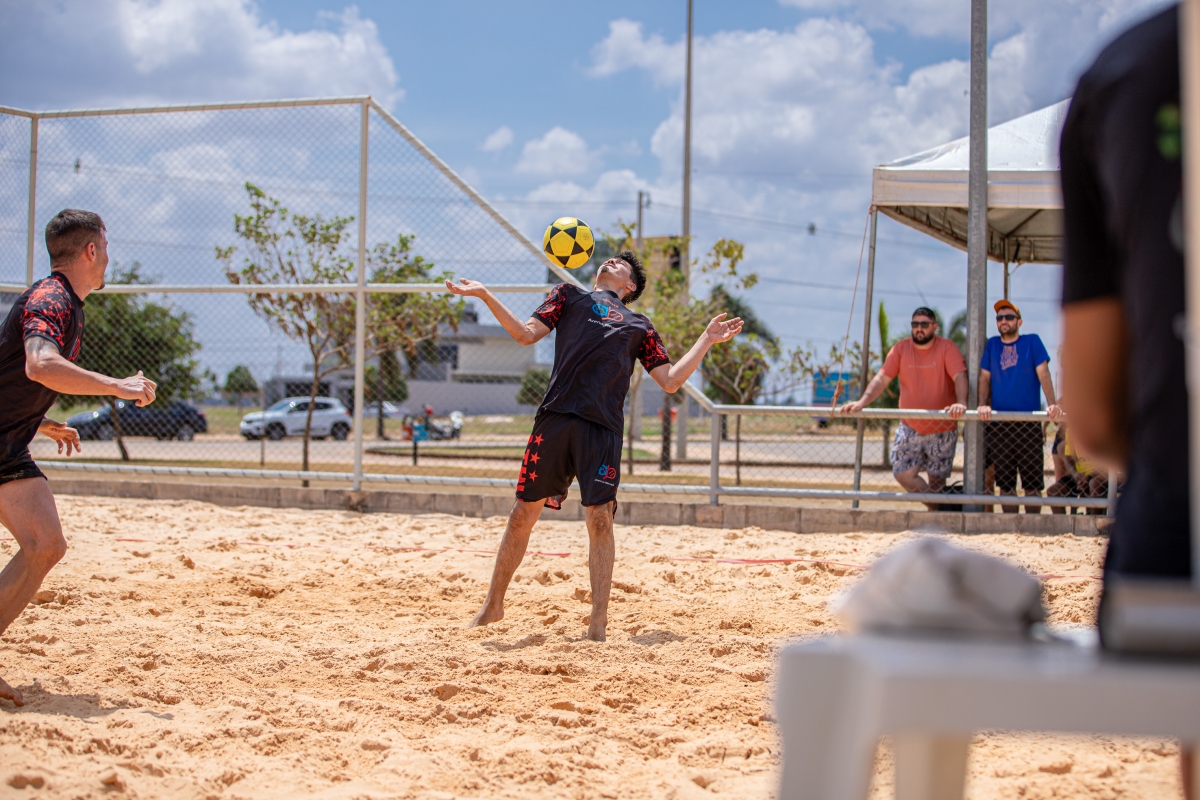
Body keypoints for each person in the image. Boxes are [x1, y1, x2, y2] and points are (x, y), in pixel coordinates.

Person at [445, 254, 742, 641]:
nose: (612, 260)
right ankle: (492, 605)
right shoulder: (568, 295)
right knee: (521, 514)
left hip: (602, 429)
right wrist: (486, 295)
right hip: (555, 419)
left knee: (600, 519)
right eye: (611, 258)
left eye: (621, 263)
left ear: (629, 286)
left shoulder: (640, 325)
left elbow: (669, 381)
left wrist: (706, 339)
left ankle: (597, 623)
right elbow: (525, 335)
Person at [0, 210, 157, 706]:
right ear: (91, 250)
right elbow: (39, 364)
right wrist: (116, 386)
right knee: (43, 544)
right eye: (105, 248)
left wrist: (41, 422)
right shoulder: (52, 298)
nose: (108, 257)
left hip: (8, 446)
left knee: (45, 545)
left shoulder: (68, 304)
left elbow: (14, 374)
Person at [839, 307, 967, 510]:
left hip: (942, 427)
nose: (919, 328)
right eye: (915, 324)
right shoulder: (900, 349)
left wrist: (961, 402)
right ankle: (944, 509)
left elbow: (959, 375)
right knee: (903, 473)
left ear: (934, 327)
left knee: (937, 483)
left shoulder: (947, 348)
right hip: (910, 426)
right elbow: (882, 378)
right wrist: (862, 402)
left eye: (924, 324)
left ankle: (938, 518)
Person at [977, 299, 1062, 513]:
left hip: (1028, 422)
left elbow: (1044, 374)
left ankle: (1030, 526)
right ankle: (1011, 527)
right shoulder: (992, 345)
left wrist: (1052, 405)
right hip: (1000, 423)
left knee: (1032, 484)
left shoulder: (1032, 342)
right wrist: (982, 405)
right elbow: (984, 377)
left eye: (1009, 317)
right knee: (1005, 485)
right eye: (999, 318)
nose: (1003, 321)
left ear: (1019, 322)